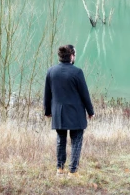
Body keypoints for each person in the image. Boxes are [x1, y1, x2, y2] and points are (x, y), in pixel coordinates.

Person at [44, 44, 95, 176]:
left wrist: (47, 111)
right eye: (75, 55)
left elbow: (47, 94)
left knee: (61, 140)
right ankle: (73, 171)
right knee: (76, 140)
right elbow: (85, 94)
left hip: (58, 113)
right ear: (71, 56)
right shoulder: (77, 72)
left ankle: (60, 169)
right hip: (75, 113)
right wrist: (90, 111)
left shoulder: (51, 71)